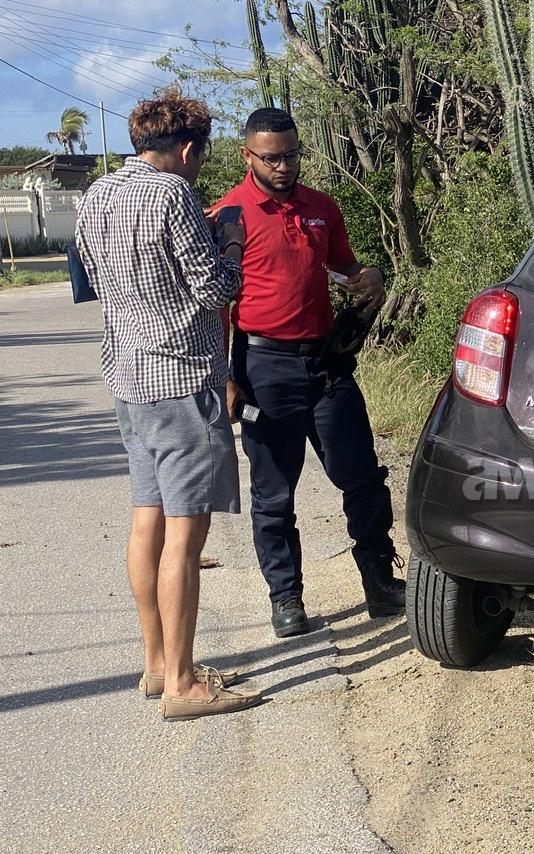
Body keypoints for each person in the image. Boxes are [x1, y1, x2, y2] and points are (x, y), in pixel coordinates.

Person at [75, 90, 261, 719]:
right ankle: (184, 684)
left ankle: (157, 663)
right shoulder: (174, 193)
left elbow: (94, 275)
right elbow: (214, 289)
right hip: (182, 377)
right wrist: (230, 241)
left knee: (147, 519)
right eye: (199, 154)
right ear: (186, 149)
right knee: (186, 532)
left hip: (129, 376)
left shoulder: (98, 193)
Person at [215, 107, 403, 638]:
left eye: (292, 155)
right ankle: (286, 598)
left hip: (326, 365)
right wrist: (225, 377)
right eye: (271, 158)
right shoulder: (227, 215)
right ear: (247, 155)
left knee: (362, 477)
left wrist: (369, 275)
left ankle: (380, 583)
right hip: (262, 367)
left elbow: (344, 267)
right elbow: (217, 306)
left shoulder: (321, 206)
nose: (283, 166)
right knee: (274, 493)